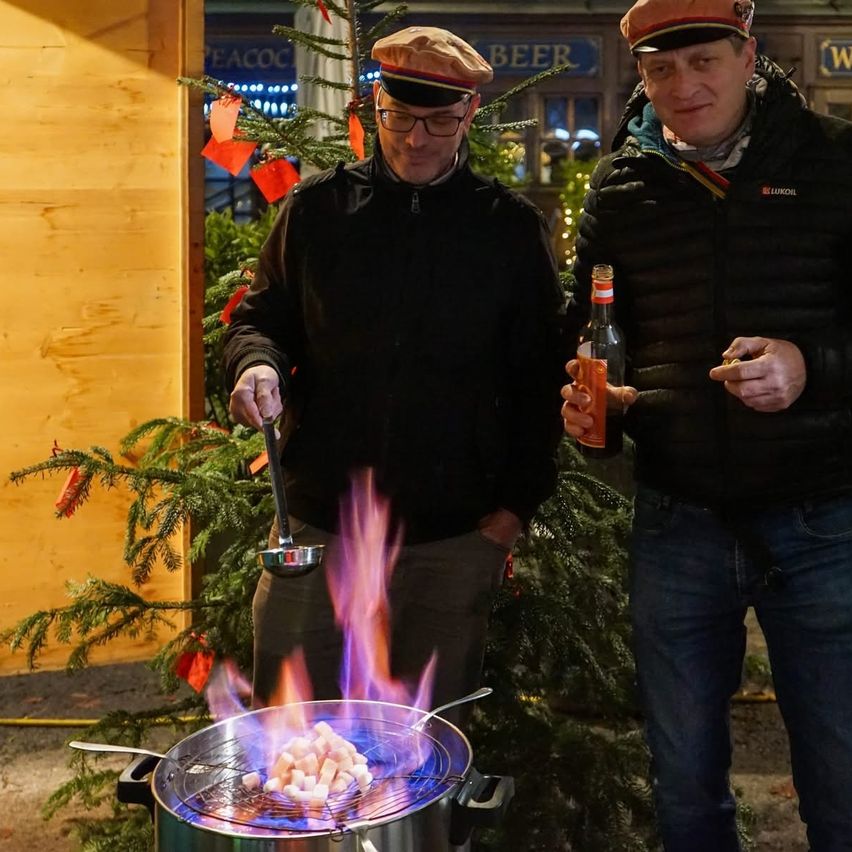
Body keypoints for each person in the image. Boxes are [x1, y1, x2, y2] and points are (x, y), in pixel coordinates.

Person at [560, 0, 852, 849]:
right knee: (684, 785)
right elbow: (596, 334)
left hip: (823, 518)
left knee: (839, 781)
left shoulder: (832, 162)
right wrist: (599, 408)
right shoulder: (621, 186)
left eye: (704, 62)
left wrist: (810, 364)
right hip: (678, 519)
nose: (683, 86)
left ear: (747, 55)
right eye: (661, 69)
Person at [225, 26, 565, 725]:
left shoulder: (507, 229)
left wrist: (511, 514)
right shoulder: (315, 211)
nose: (416, 139)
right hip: (320, 528)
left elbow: (540, 381)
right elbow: (259, 319)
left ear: (470, 115)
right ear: (373, 106)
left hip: (451, 538)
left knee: (426, 755)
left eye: (439, 121)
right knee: (289, 741)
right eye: (399, 117)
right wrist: (254, 363)